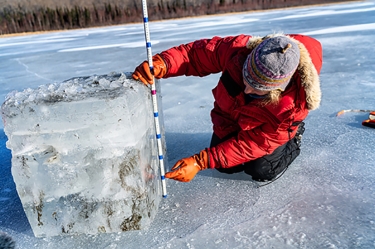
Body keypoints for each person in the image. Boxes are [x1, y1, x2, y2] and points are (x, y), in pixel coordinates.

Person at [132, 33, 322, 183]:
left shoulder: (292, 107)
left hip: (266, 134)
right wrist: (163, 63)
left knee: (261, 170)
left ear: (277, 89)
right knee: (226, 167)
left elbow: (255, 143)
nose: (247, 88)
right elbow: (195, 54)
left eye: (257, 89)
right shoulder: (239, 50)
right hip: (233, 116)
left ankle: (293, 138)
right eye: (246, 77)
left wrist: (200, 161)